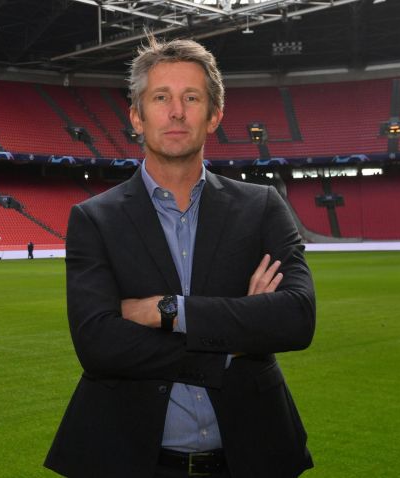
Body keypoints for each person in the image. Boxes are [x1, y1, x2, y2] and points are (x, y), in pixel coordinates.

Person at [44, 35, 315, 478]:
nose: (176, 111)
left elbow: (296, 318)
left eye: (191, 97)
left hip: (253, 455)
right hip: (131, 460)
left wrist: (168, 312)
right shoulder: (94, 219)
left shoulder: (262, 205)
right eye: (161, 97)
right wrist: (233, 340)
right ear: (136, 115)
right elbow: (98, 346)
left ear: (214, 115)